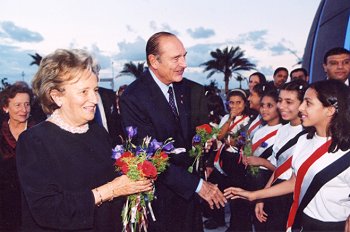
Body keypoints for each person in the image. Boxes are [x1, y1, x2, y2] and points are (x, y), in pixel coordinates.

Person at [16, 49, 153, 231]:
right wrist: (111, 190)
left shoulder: (99, 133)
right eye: (83, 91)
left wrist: (135, 187)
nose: (94, 99)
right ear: (56, 96)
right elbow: (47, 211)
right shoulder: (33, 141)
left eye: (95, 90)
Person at [120, 32, 226, 232]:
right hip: (162, 201)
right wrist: (197, 185)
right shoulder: (134, 97)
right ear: (154, 61)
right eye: (176, 58)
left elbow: (190, 135)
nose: (184, 64)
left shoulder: (189, 89)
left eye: (184, 56)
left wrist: (202, 144)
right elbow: (149, 156)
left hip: (192, 197)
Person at [225, 80, 350, 231]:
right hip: (302, 220)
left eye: (308, 103)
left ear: (329, 110)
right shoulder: (304, 140)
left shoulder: (346, 150)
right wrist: (254, 195)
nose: (301, 108)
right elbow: (294, 181)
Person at [254, 80, 308, 232]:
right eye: (280, 100)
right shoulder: (282, 130)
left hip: (294, 196)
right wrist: (262, 197)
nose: (281, 106)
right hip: (276, 192)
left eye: (289, 102)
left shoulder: (309, 134)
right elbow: (277, 169)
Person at [0, 83, 36, 231]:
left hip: (34, 204)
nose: (23, 110)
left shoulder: (39, 133)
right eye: (18, 105)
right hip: (4, 206)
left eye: (27, 104)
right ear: (5, 108)